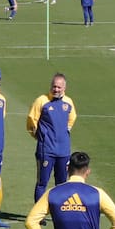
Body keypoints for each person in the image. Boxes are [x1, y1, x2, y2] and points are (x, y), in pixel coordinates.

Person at [26, 73, 77, 201]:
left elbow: (72, 119)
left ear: (64, 88)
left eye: (59, 87)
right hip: (46, 150)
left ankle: (59, 210)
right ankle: (39, 212)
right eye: (54, 86)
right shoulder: (42, 101)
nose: (56, 89)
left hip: (63, 151)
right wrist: (39, 136)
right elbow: (31, 120)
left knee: (61, 183)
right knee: (42, 183)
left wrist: (65, 132)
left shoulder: (68, 102)